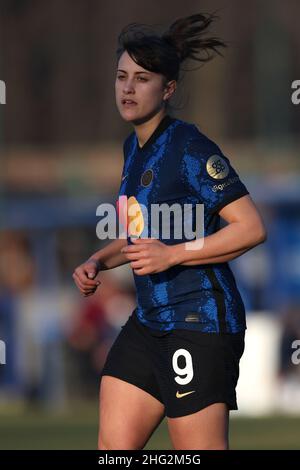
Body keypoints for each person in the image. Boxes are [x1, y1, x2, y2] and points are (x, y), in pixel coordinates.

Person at [72, 13, 267, 450]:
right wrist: (98, 261)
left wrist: (174, 255)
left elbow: (251, 228)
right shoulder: (132, 148)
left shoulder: (189, 147)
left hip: (199, 322)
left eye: (142, 78)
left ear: (169, 89)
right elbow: (143, 237)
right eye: (122, 76)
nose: (127, 87)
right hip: (147, 323)